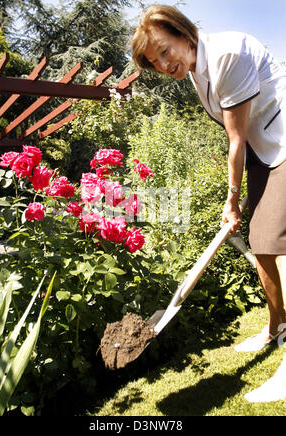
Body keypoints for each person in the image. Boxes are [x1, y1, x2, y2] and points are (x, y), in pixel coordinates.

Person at [131, 4, 286, 403]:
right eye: (154, 61)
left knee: (276, 246)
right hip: (265, 152)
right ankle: (277, 327)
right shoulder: (198, 73)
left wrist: (231, 201)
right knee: (262, 244)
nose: (164, 64)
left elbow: (235, 138)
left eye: (165, 51)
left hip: (283, 142)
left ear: (184, 34)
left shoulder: (227, 54)